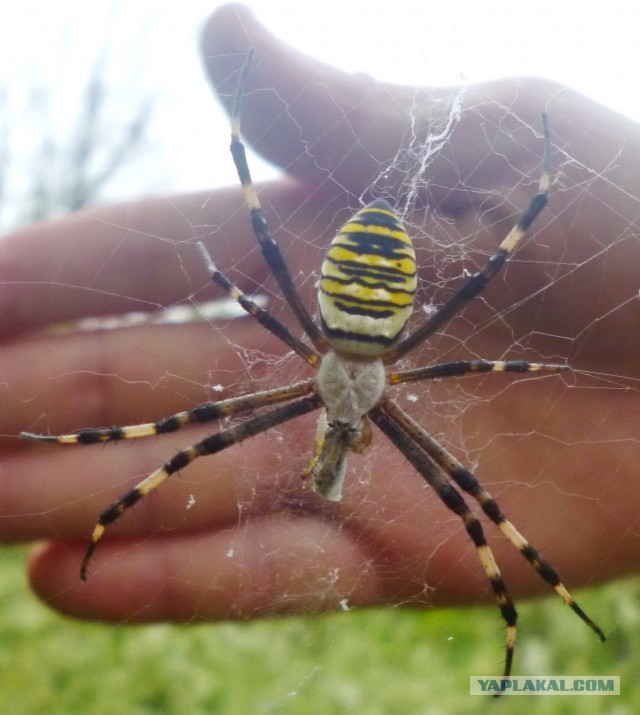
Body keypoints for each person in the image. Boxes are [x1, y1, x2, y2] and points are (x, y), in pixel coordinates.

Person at [0, 4, 637, 624]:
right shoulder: (385, 381)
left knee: (189, 442)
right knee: (472, 506)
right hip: (378, 310)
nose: (347, 420)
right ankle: (528, 612)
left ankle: (527, 610)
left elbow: (175, 437)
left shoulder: (318, 366)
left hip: (354, 305)